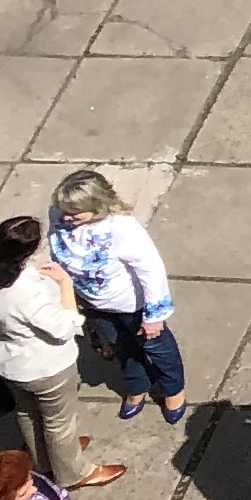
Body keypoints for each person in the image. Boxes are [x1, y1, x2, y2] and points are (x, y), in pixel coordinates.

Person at [0, 221, 116, 496]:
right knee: (59, 423)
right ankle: (73, 472)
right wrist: (65, 284)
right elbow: (63, 327)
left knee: (27, 412)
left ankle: (43, 462)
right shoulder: (26, 291)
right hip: (45, 367)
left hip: (6, 363)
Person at [49, 175, 178, 433]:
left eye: (74, 214)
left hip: (132, 305)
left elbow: (150, 269)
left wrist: (154, 316)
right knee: (121, 347)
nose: (66, 219)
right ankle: (138, 386)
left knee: (157, 348)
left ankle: (173, 390)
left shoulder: (123, 229)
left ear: (97, 206)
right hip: (95, 304)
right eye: (64, 211)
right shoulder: (60, 214)